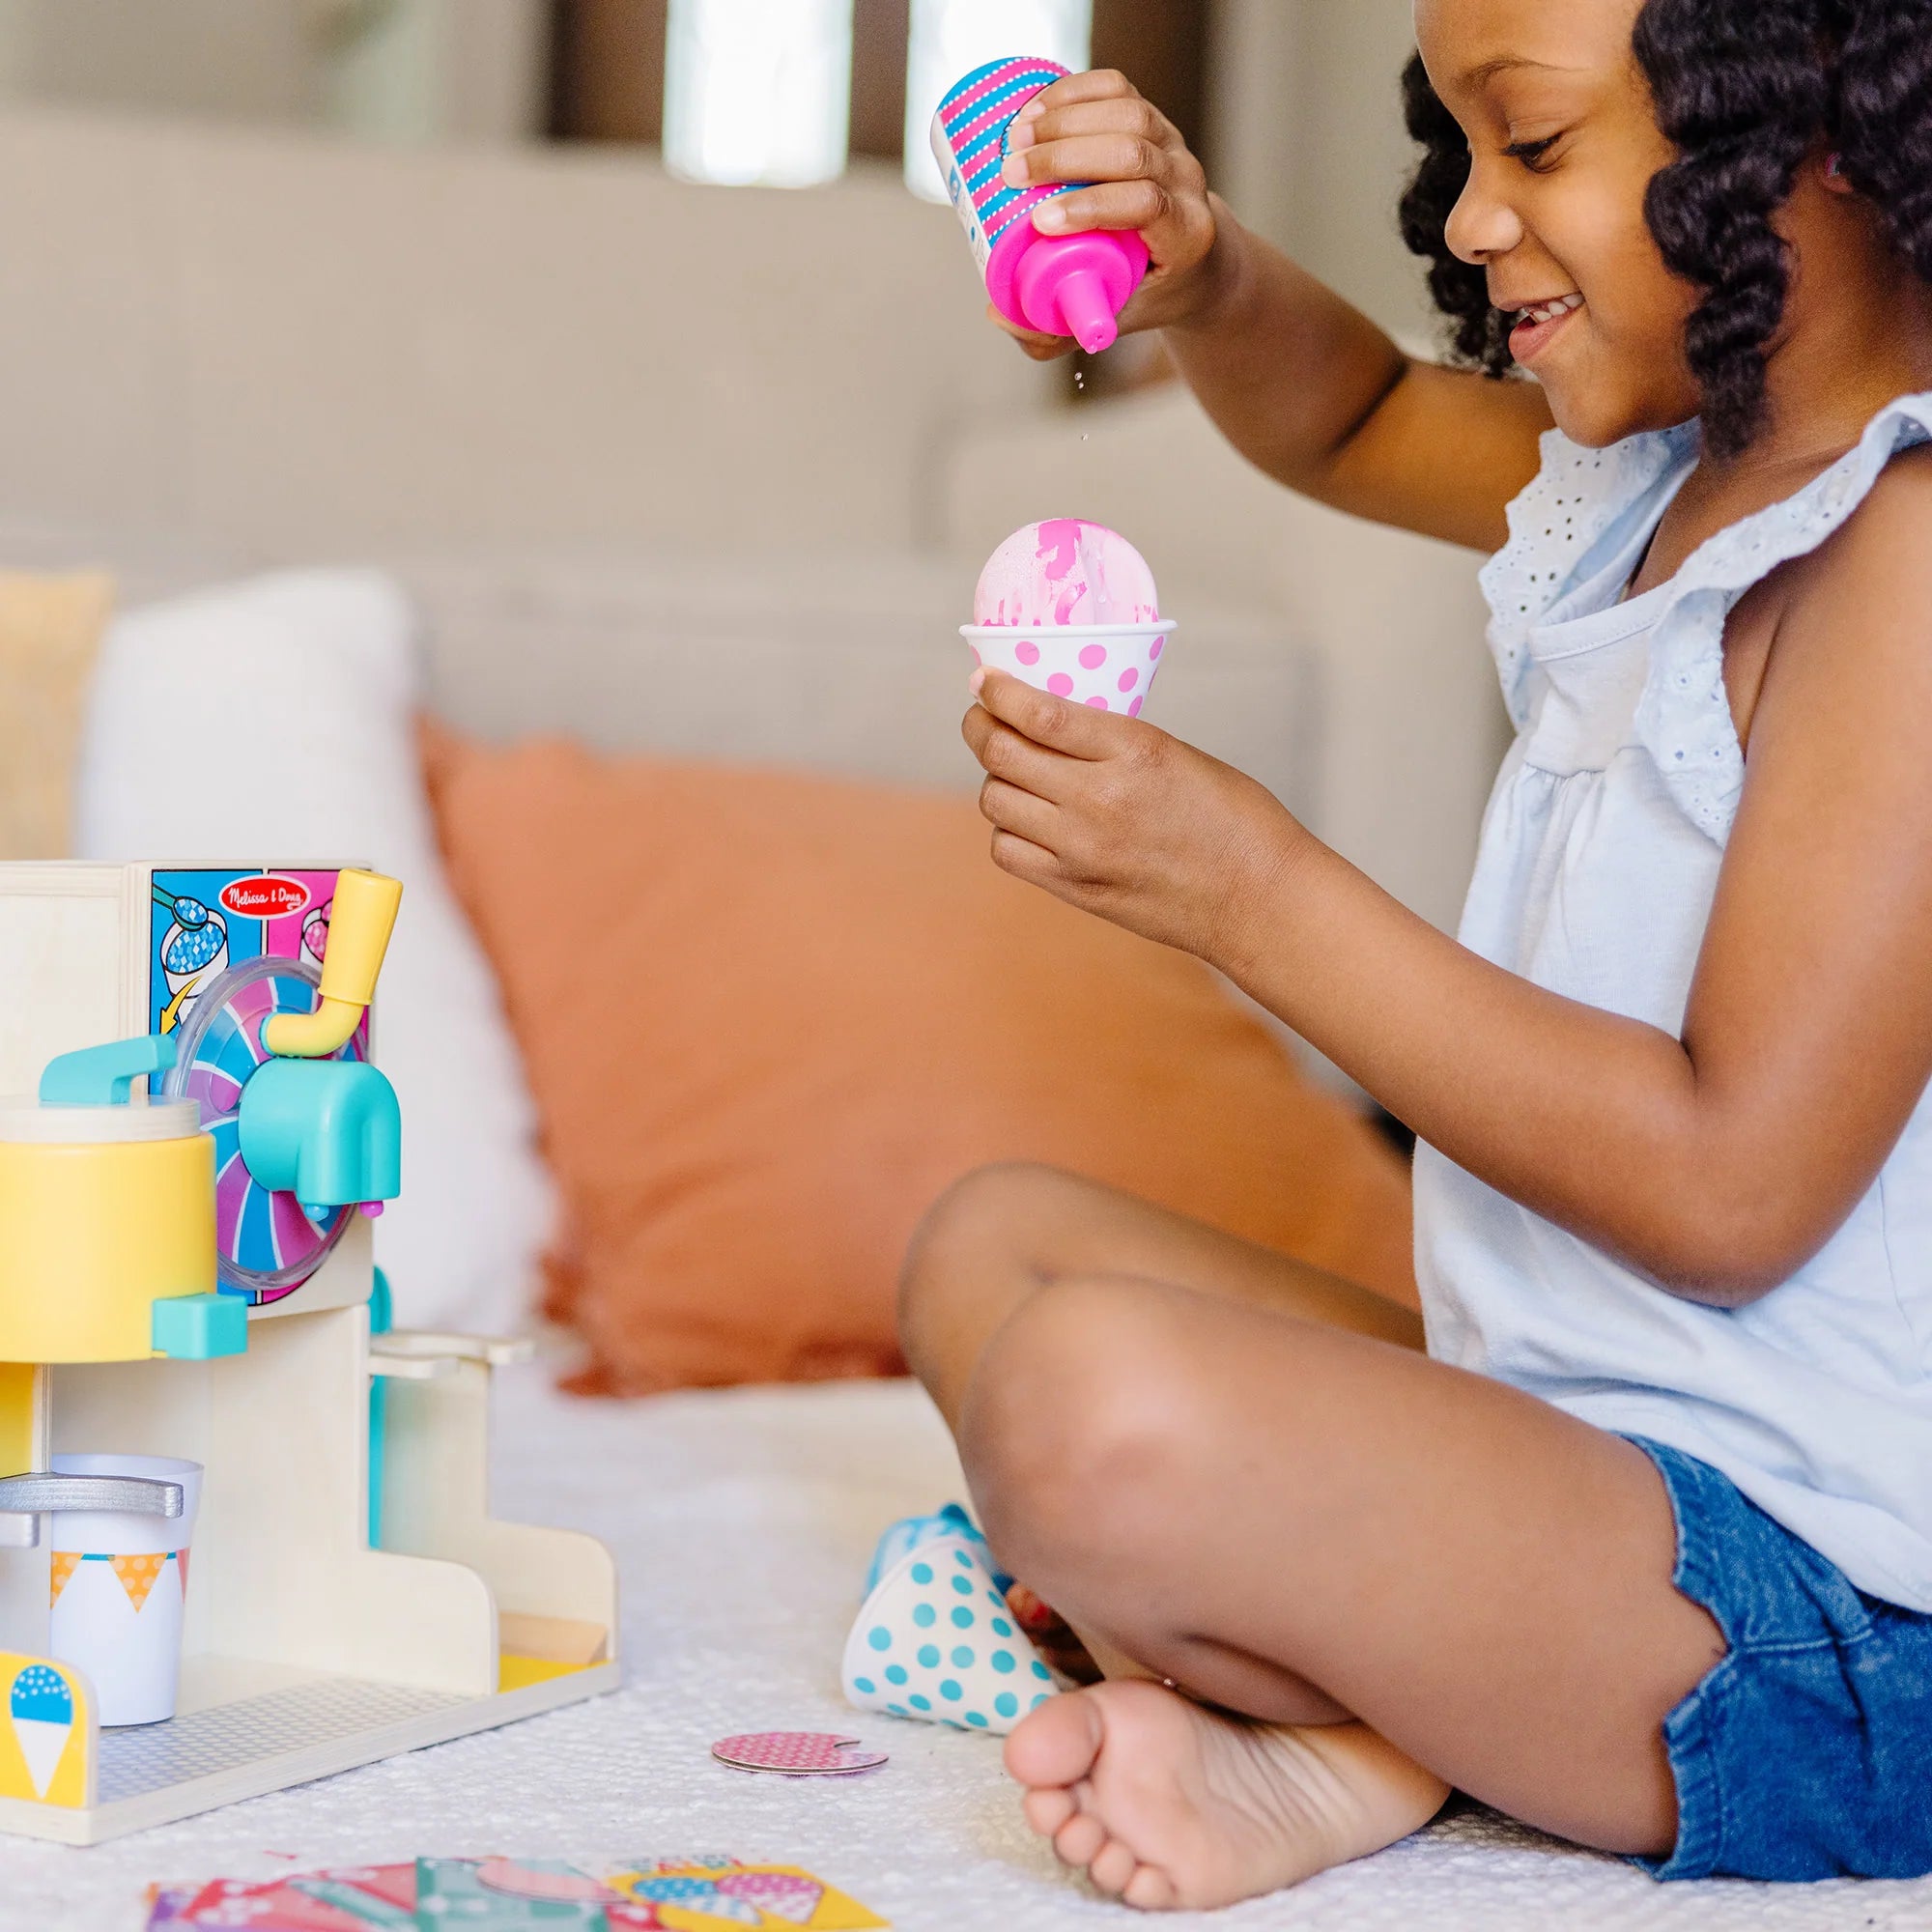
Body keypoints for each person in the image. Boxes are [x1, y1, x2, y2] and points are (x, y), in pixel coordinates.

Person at [896, 0, 1932, 1909]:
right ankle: (1383, 1723)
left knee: (1088, 1409)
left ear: (1823, 141)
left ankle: (1363, 1732)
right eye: (1455, 152)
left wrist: (1246, 890)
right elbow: (1357, 414)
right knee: (996, 1248)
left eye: (1530, 149)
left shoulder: (1905, 555)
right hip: (1580, 1460)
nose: (1463, 221)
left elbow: (1731, 1189)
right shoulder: (1660, 474)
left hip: (1828, 1622)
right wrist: (1199, 270)